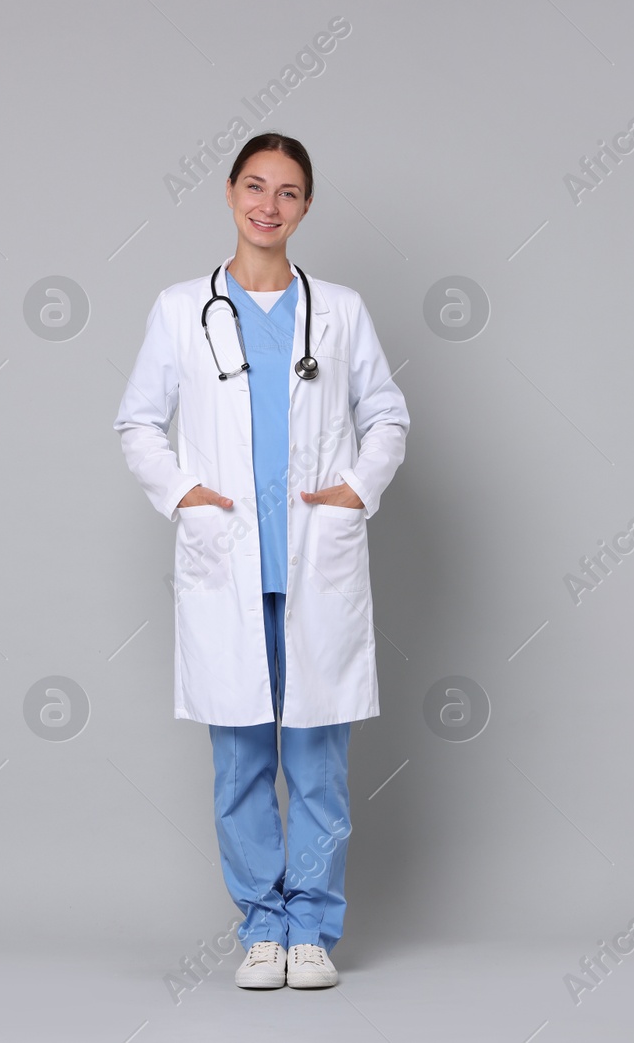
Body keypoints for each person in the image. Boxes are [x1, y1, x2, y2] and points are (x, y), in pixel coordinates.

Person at [114, 133, 409, 990]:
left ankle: (312, 927)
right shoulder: (181, 308)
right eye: (255, 186)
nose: (268, 205)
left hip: (315, 561)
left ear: (306, 208)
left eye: (287, 192)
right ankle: (261, 928)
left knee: (318, 756)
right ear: (230, 194)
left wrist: (356, 486)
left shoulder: (341, 311)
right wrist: (183, 494)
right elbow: (137, 422)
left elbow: (387, 413)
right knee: (241, 760)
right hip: (227, 562)